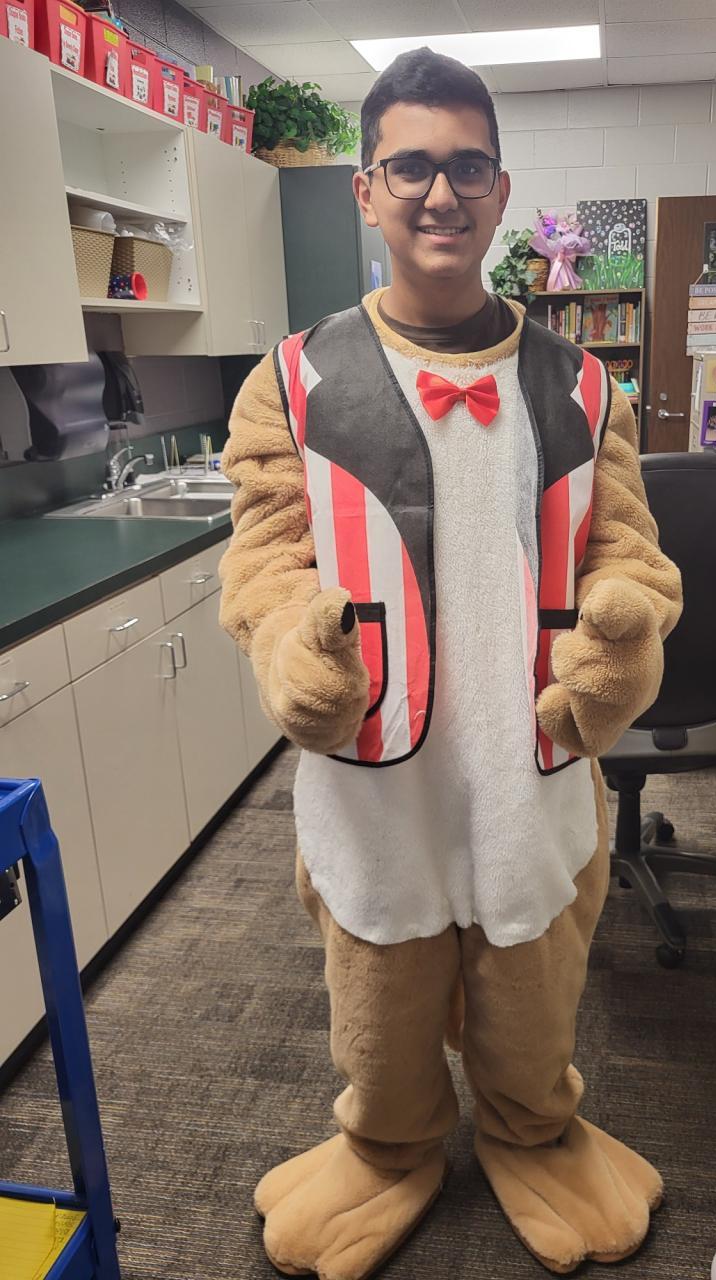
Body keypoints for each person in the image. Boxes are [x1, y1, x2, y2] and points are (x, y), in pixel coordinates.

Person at [219, 46, 683, 1280]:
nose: (441, 192)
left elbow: (630, 554)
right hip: (378, 767)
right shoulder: (291, 381)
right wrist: (289, 644)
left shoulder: (584, 384)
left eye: (468, 166)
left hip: (533, 761)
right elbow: (263, 559)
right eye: (411, 167)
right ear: (367, 190)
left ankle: (537, 1131)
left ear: (501, 188)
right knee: (378, 983)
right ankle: (386, 1145)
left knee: (537, 984)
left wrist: (622, 638)